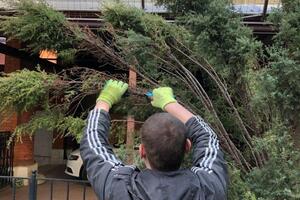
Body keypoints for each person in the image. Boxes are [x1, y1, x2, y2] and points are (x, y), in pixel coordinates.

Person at [80, 80, 228, 200]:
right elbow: (208, 137)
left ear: (142, 150)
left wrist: (105, 99)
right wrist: (171, 104)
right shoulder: (208, 187)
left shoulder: (120, 189)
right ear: (187, 146)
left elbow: (93, 142)